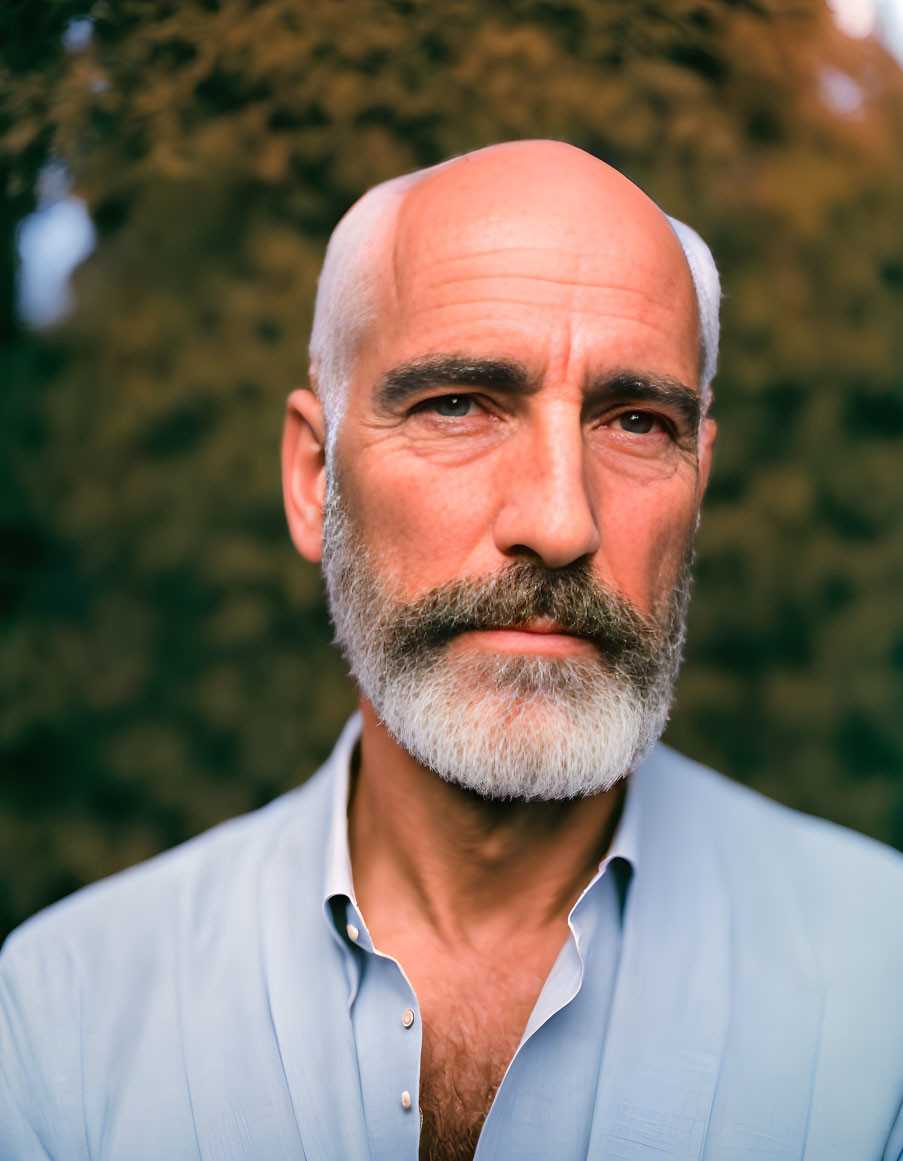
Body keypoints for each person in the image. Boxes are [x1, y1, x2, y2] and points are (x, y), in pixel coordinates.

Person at [1, 140, 901, 1161]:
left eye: (639, 423)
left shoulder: (887, 999)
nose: (561, 521)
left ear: (701, 478)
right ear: (313, 479)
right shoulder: (61, 1028)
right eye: (460, 406)